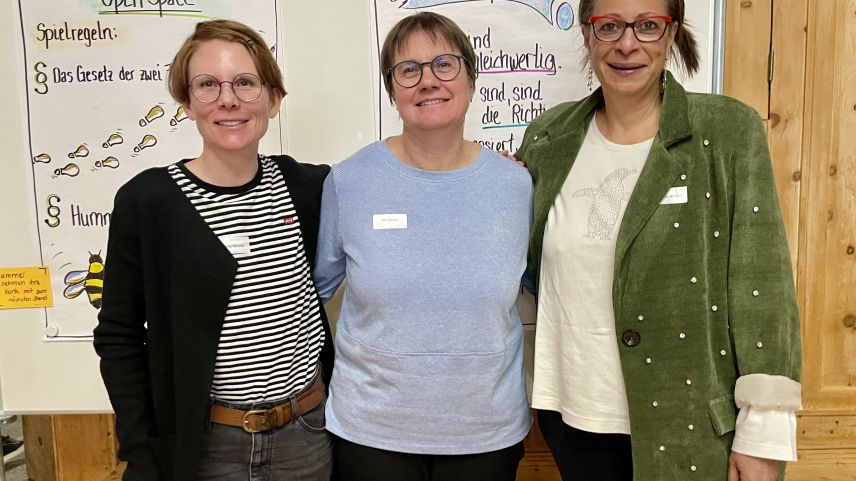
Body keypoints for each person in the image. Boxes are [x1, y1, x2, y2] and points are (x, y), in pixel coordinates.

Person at [515, 0, 802, 480]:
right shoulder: (548, 137)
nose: (627, 44)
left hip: (688, 421)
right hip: (571, 416)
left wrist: (763, 436)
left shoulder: (726, 132)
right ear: (588, 35)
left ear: (671, 36)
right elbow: (531, 268)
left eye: (648, 26)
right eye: (609, 26)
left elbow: (761, 288)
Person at [93, 20, 334, 481]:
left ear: (273, 99)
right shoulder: (149, 201)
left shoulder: (309, 187)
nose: (228, 99)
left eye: (245, 83)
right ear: (187, 103)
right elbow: (119, 334)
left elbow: (395, 180)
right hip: (207, 447)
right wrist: (141, 450)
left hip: (306, 436)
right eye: (207, 85)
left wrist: (490, 162)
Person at [313, 12, 532, 481]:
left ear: (471, 79)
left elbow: (545, 284)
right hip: (371, 432)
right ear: (392, 91)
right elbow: (310, 291)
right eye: (407, 70)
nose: (427, 80)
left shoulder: (517, 186)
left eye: (444, 64)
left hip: (486, 433)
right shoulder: (349, 182)